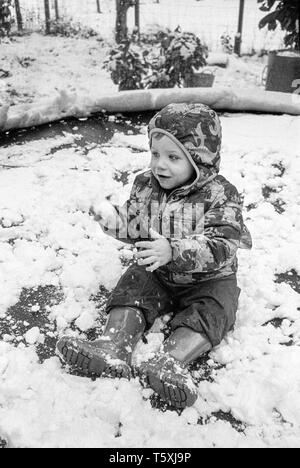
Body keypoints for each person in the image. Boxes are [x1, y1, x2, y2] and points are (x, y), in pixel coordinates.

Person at [56, 103, 252, 409]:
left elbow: (222, 245)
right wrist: (116, 223)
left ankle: (171, 361)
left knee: (214, 309)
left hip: (209, 279)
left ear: (199, 159)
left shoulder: (221, 195)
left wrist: (173, 250)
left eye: (173, 157)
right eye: (155, 153)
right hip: (157, 270)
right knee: (135, 281)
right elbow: (135, 224)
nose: (160, 165)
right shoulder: (146, 185)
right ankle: (114, 345)